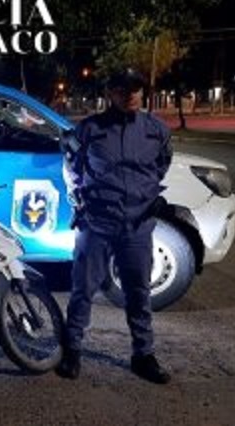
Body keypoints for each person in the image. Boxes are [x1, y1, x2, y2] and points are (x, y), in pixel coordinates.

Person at [57, 68, 173, 384]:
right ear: (111, 93)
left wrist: (142, 194)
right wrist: (84, 201)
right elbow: (73, 168)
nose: (131, 95)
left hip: (137, 225)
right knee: (83, 289)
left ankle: (143, 354)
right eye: (123, 90)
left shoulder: (157, 131)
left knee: (138, 292)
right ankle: (72, 349)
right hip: (97, 223)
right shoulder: (89, 129)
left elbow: (161, 166)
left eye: (136, 89)